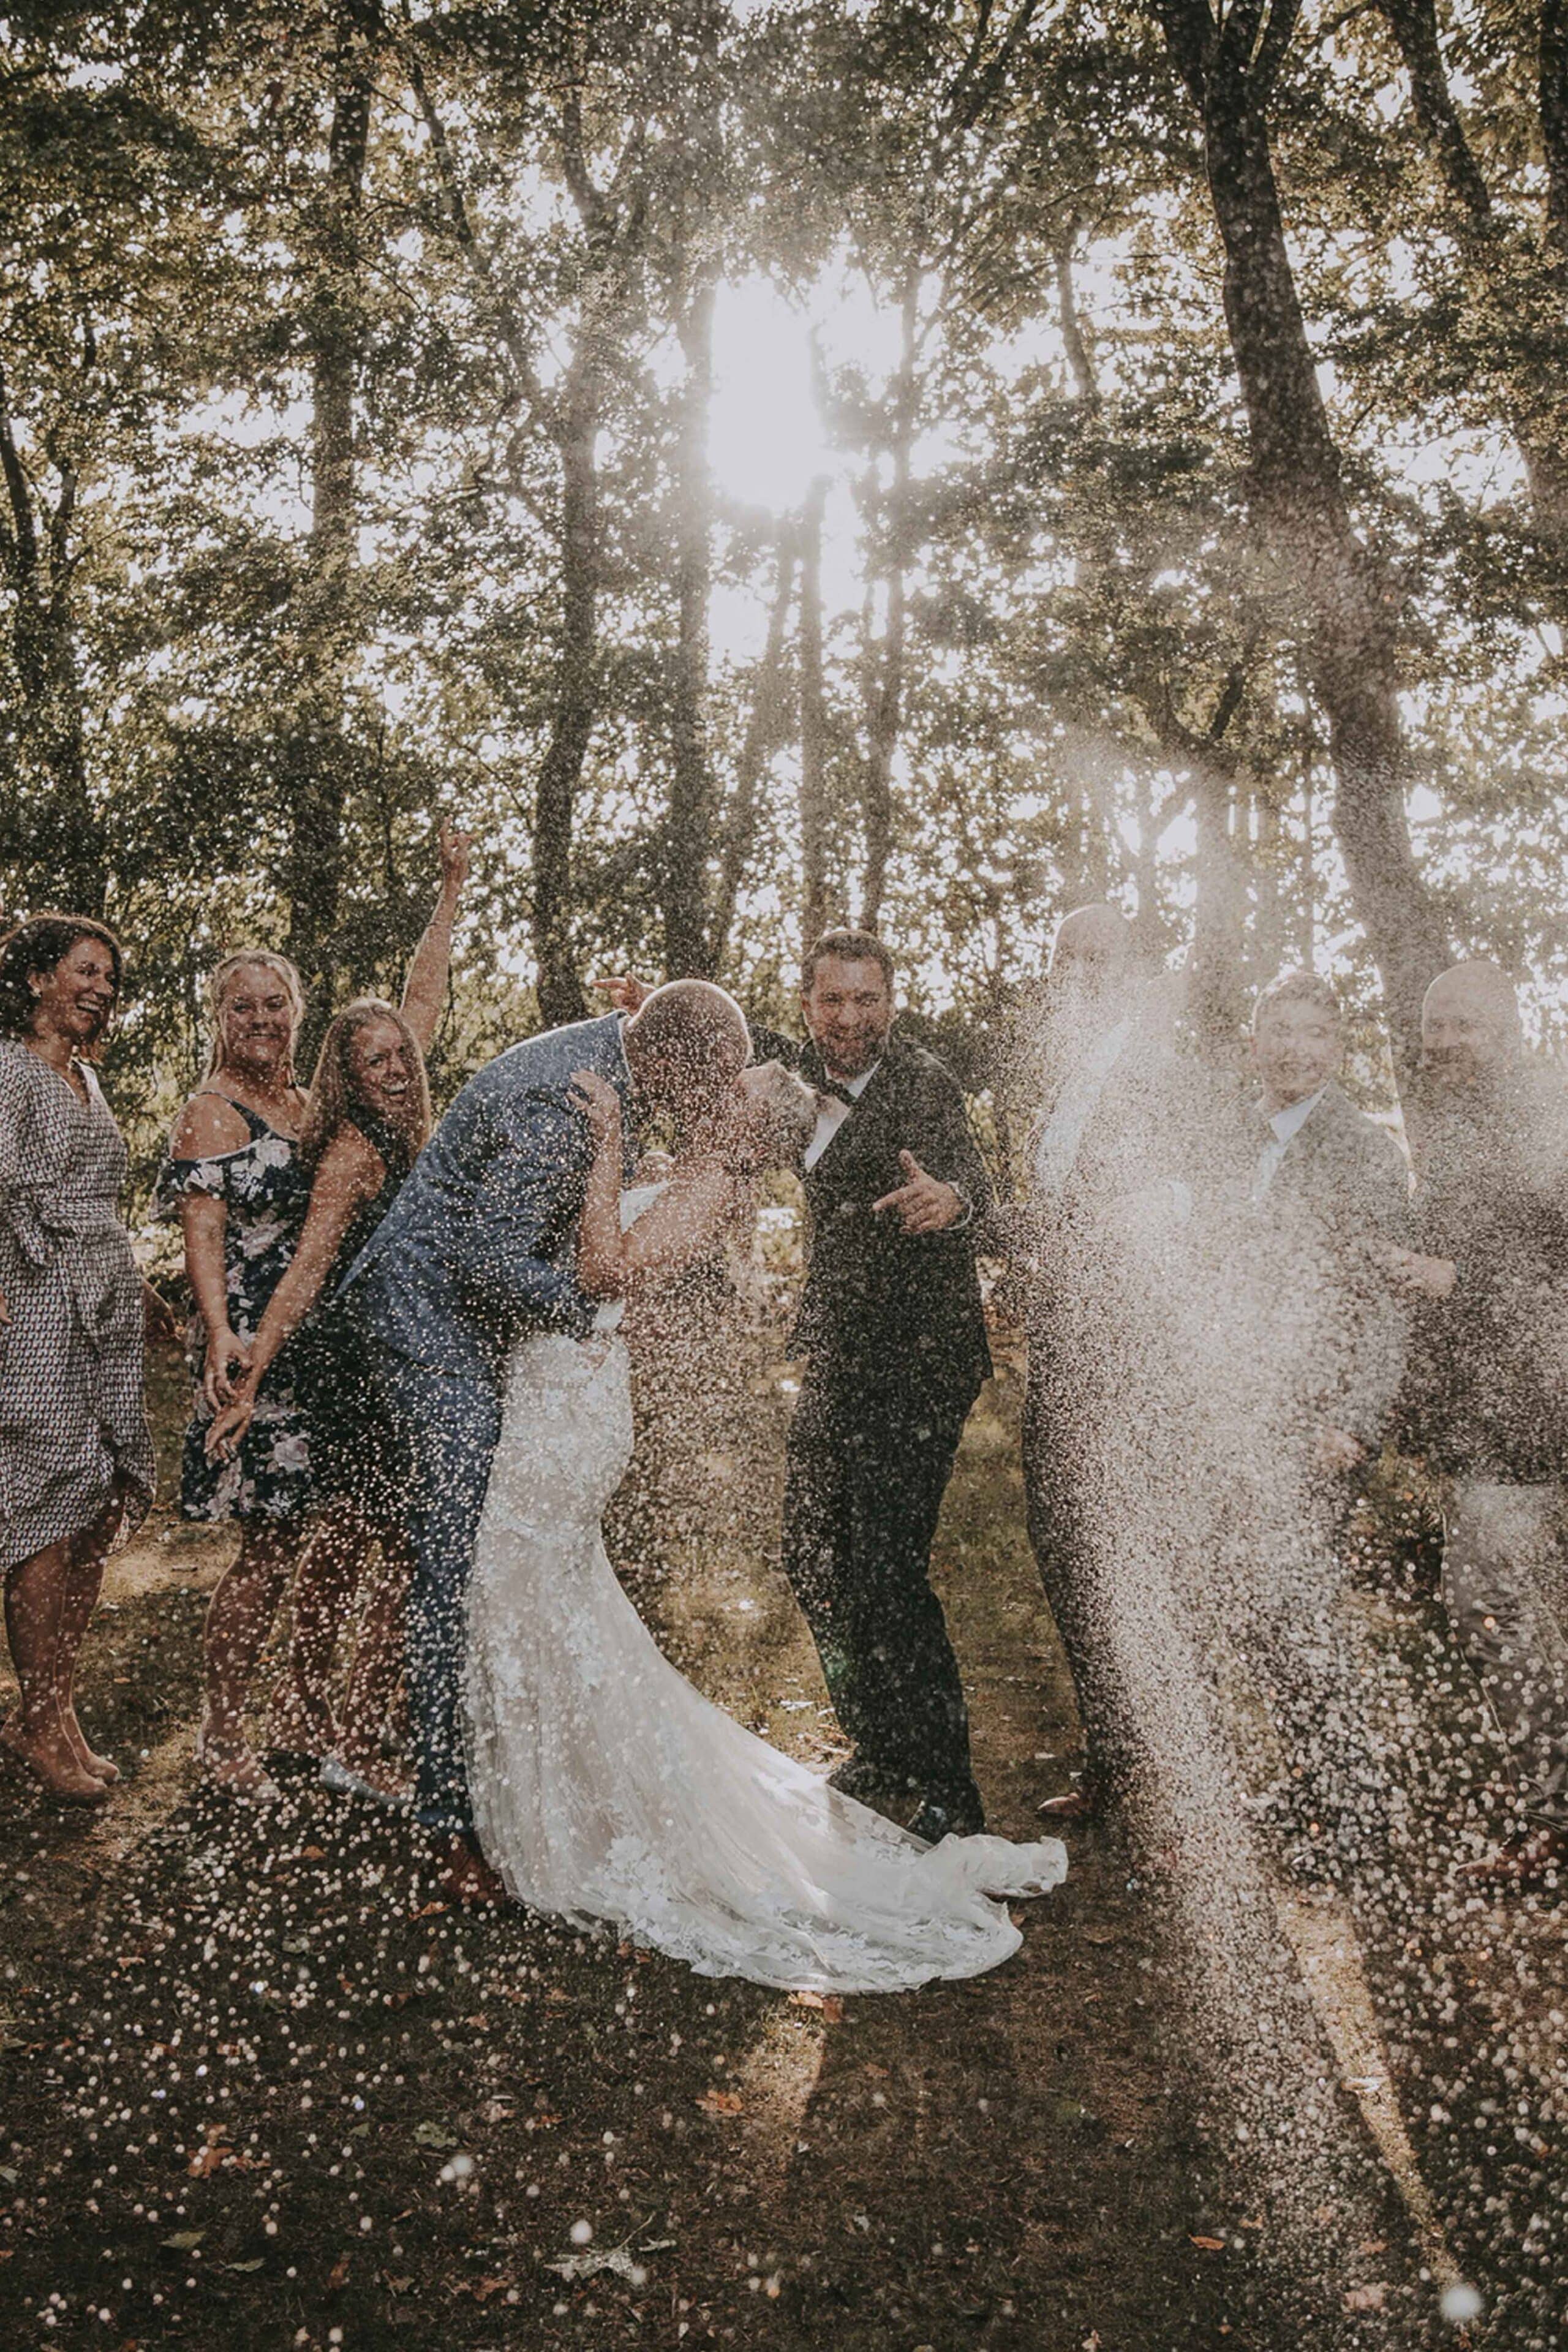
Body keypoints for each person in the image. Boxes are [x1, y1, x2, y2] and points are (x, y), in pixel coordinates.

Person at [461, 1057, 1067, 1989]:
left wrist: (615, 1147)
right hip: (573, 1395)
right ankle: (539, 1788)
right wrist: (652, 1036)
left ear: (752, 1130)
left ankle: (942, 1781)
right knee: (750, 1573)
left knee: (882, 1575)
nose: (718, 1089)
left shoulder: (726, 1179)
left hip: (602, 1411)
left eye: (734, 1093)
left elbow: (602, 1265)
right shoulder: (720, 1161)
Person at [339, 977, 756, 1901]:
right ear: (671, 1061)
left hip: (499, 1337)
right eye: (714, 1079)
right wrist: (591, 1315)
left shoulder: (622, 1064)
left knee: (497, 1563)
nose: (719, 1101)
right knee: (456, 1562)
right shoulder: (566, 1095)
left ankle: (490, 1785)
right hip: (428, 1322)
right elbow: (489, 1258)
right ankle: (447, 1830)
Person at [205, 825, 471, 1798]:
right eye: (371, 1060)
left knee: (363, 1544)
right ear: (346, 1074)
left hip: (396, 1358)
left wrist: (448, 895)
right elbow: (310, 1266)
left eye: (398, 1054)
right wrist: (255, 1369)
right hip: (355, 1366)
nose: (394, 1066)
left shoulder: (407, 1120)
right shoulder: (358, 1148)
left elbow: (424, 995)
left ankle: (321, 1718)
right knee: (367, 1547)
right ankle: (343, 1729)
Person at [986, 902, 1232, 1824]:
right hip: (1067, 1352)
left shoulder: (1169, 1069)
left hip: (1143, 1363)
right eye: (1068, 958)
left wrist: (1048, 1241)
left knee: (1148, 1570)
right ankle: (1118, 1766)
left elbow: (1178, 1212)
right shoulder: (1068, 1075)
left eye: (1100, 958)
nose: (1080, 973)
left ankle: (1177, 1793)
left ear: (1135, 968)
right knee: (1071, 1557)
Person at [752, 930, 996, 1844]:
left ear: (892, 1002)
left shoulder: (923, 1084)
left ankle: (949, 1787)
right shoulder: (791, 1072)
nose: (849, 1019)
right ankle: (881, 1742)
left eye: (866, 1000)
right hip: (843, 1354)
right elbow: (727, 1054)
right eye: (832, 1001)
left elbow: (968, 1175)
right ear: (808, 1005)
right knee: (815, 1551)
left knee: (888, 1568)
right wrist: (643, 1014)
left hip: (923, 1359)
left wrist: (955, 1202)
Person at [1220, 970, 1411, 1875]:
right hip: (1232, 1406)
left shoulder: (1366, 1152)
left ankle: (1358, 1814)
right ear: (1255, 1038)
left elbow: (1386, 1305)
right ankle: (1314, 1780)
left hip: (1315, 1418)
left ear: (1338, 1049)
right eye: (1280, 1031)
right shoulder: (1228, 1135)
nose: (1296, 1050)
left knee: (1302, 1614)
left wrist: (1356, 1418)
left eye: (1315, 1036)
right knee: (1260, 1611)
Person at [1389, 959, 1568, 1883]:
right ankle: (1541, 1793)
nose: (1444, 1040)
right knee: (1495, 1608)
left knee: (1490, 1604)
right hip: (1487, 1420)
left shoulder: (1548, 1113)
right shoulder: (1458, 1124)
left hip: (1539, 1419)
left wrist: (1461, 1279)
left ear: (1509, 1026)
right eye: (1434, 1024)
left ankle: (1549, 1821)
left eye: (1463, 1023)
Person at [0, 914, 161, 1803]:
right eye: (84, 971)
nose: (100, 988)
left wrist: (140, 1292)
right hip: (31, 1313)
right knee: (43, 1515)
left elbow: (95, 1205)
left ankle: (55, 1711)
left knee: (98, 1506)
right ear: (34, 980)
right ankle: (39, 1717)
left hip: (100, 1314)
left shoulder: (88, 1080)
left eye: (109, 977)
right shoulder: (8, 1071)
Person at [160, 949, 316, 1793]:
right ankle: (222, 1740)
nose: (260, 1020)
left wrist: (446, 900)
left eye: (275, 1005)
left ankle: (296, 1716)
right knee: (265, 1547)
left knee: (296, 1543)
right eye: (242, 1007)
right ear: (219, 1017)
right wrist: (220, 1333)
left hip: (315, 1348)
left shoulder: (303, 1105)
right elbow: (205, 1237)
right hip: (254, 1352)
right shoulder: (212, 1114)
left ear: (296, 1010)